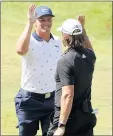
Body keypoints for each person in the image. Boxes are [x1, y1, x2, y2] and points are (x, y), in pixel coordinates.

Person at [14, 4, 62, 136]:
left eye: (49, 19)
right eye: (42, 19)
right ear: (35, 22)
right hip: (29, 101)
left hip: (52, 100)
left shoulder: (57, 41)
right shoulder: (28, 40)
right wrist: (29, 23)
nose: (46, 23)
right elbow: (20, 50)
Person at [47, 15, 97, 136]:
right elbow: (90, 49)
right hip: (86, 116)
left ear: (66, 36)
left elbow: (68, 95)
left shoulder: (65, 61)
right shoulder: (90, 56)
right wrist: (82, 29)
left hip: (69, 120)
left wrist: (61, 125)